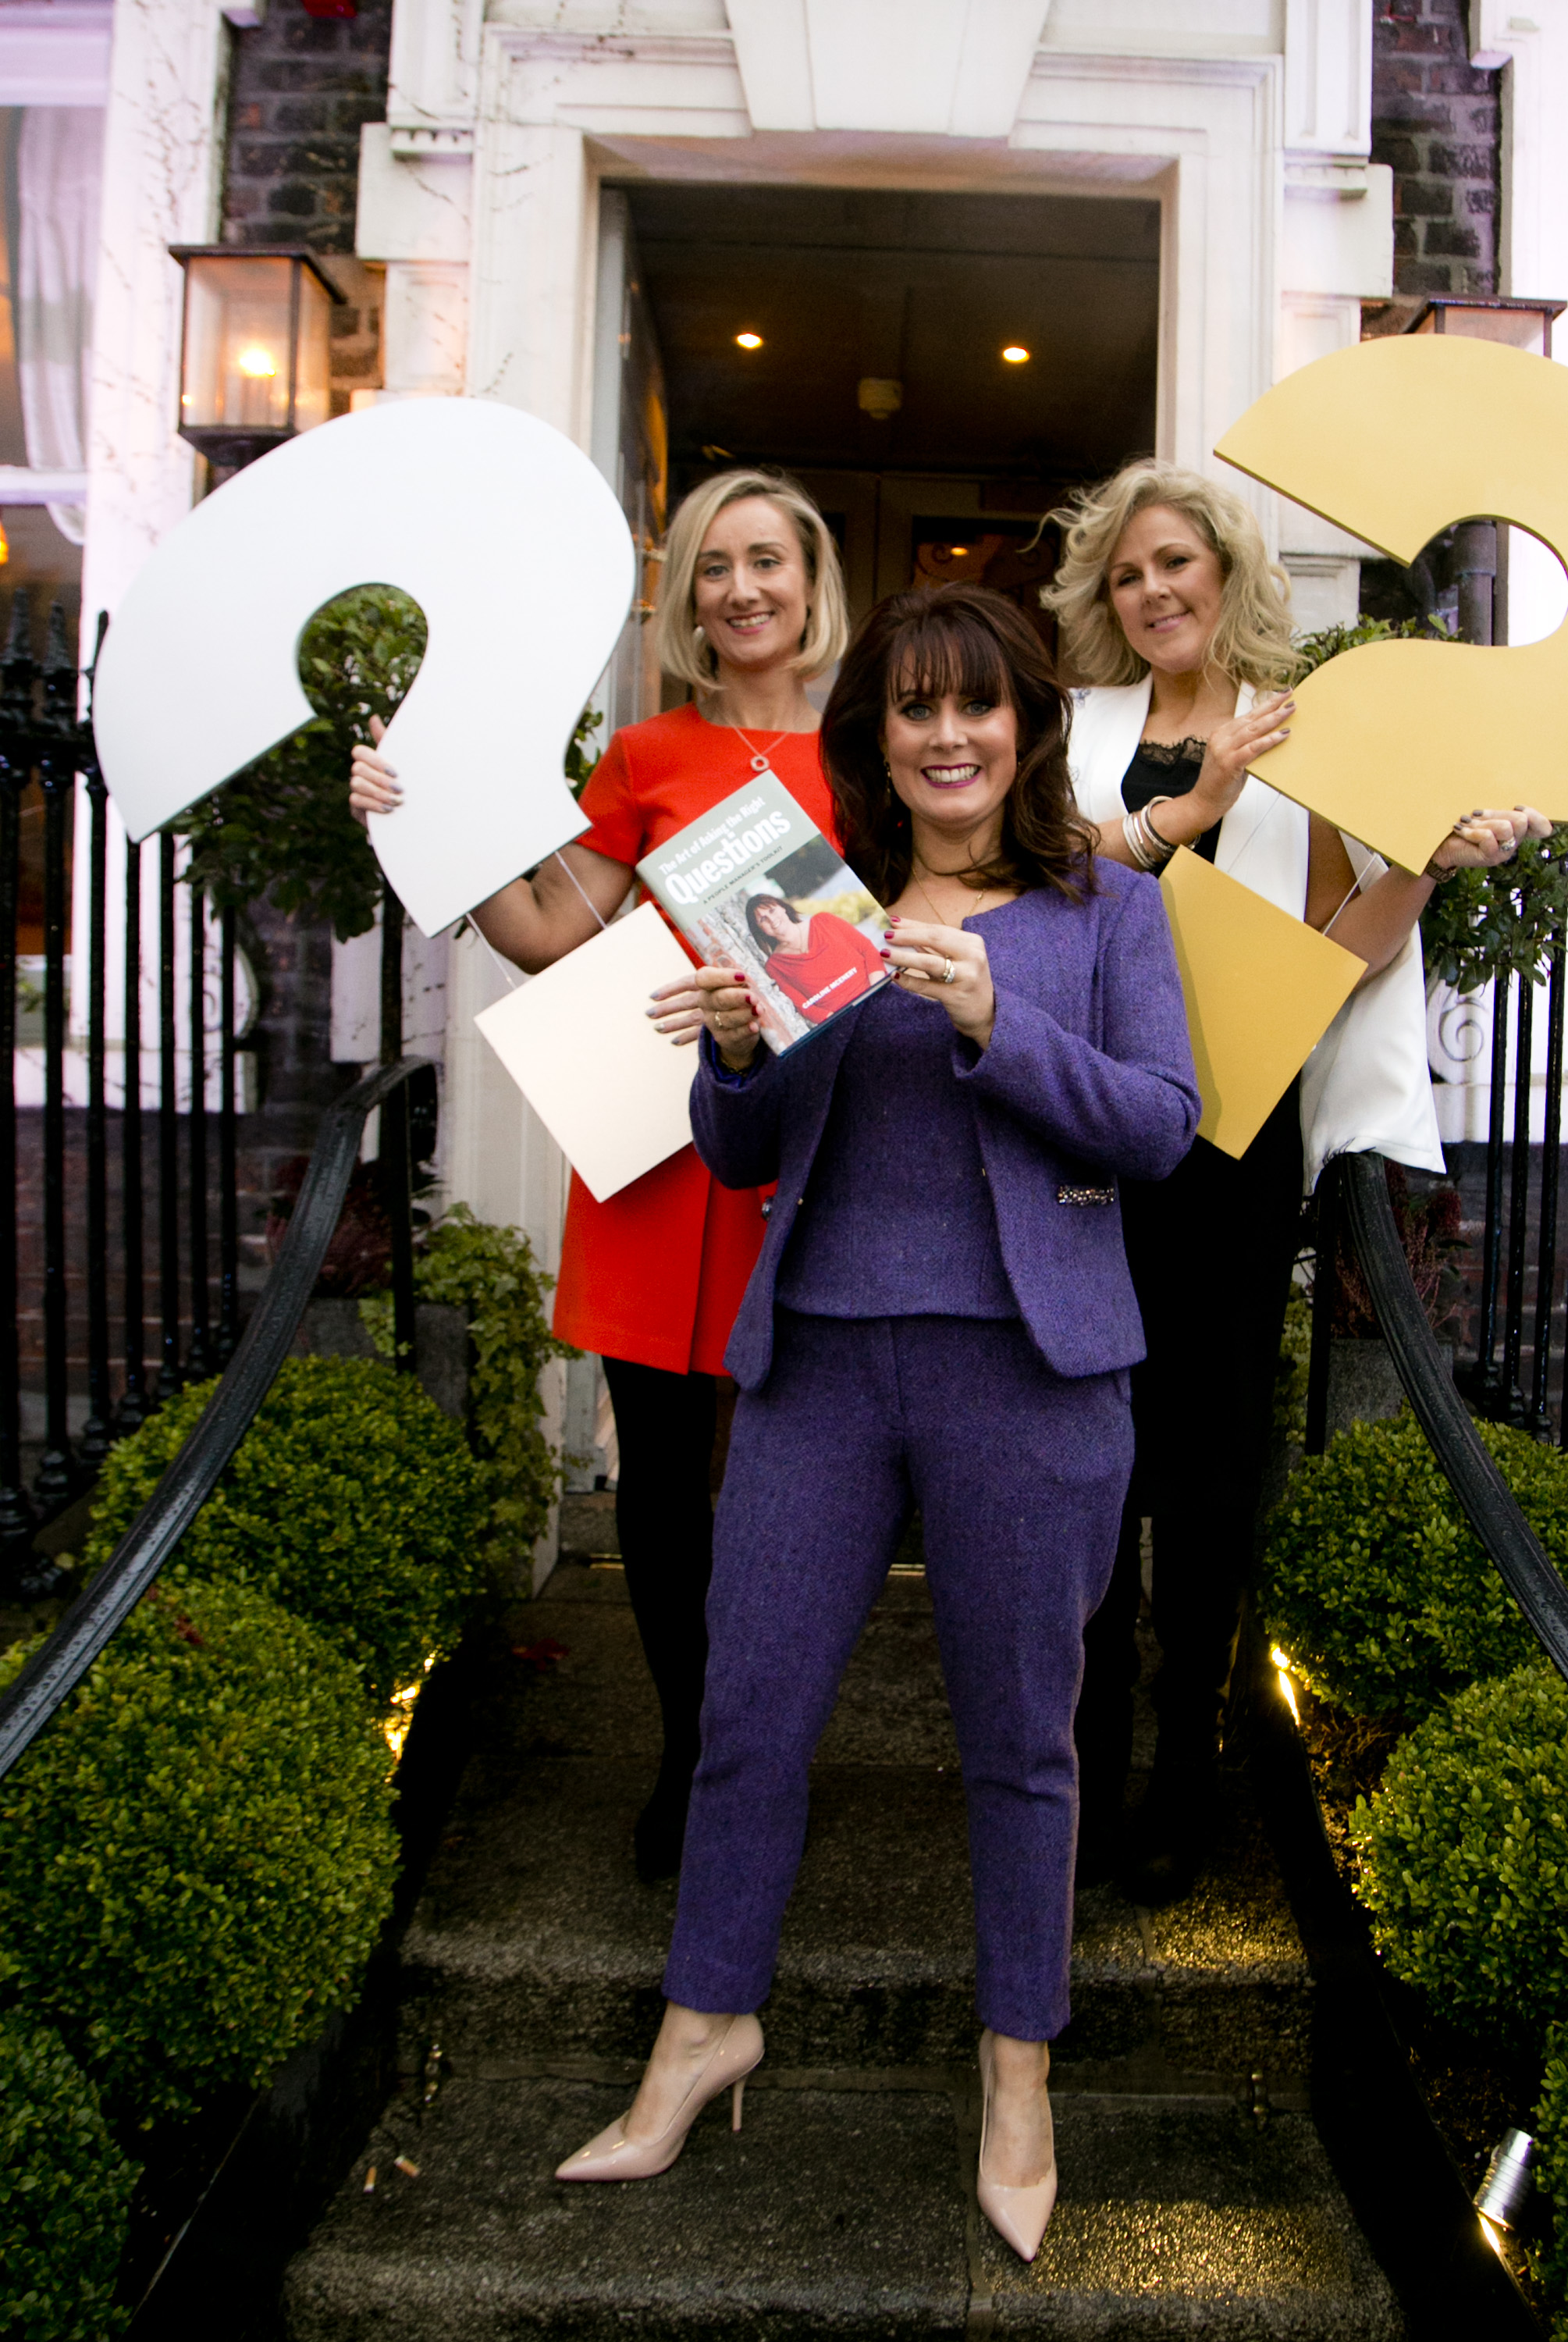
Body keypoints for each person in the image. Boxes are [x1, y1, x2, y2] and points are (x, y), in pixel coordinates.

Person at [553, 585, 1201, 2264]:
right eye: (916, 708)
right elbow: (748, 1150)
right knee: (750, 1712)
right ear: (879, 736)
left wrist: (998, 1021)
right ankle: (705, 2029)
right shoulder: (801, 895)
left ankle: (1016, 2073)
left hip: (1032, 1373)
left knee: (1023, 1738)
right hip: (823, 1363)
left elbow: (1160, 1129)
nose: (948, 736)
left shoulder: (1100, 908)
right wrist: (742, 1049)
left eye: (978, 706)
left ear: (1028, 725)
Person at [1040, 460, 1550, 1902]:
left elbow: (1346, 940)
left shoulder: (1301, 730)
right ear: (1105, 593)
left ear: (1228, 576)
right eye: (1129, 573)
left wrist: (1428, 865)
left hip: (1227, 1137)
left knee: (1205, 1476)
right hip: (1078, 1131)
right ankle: (1070, 1777)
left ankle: (1186, 1784)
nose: (1154, 592)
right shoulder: (1070, 733)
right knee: (1082, 1462)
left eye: (1176, 567)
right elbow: (1033, 885)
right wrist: (1183, 811)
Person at [349, 467, 849, 1882]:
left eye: (766, 560)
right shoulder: (648, 753)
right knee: (657, 1481)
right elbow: (546, 931)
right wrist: (409, 821)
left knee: (789, 1487)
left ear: (811, 581)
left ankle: (765, 1756)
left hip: (806, 1154)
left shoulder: (873, 751)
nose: (741, 589)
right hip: (657, 1146)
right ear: (685, 596)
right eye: (711, 567)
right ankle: (693, 1753)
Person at [742, 890, 889, 1025]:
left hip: (880, 994)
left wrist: (876, 993)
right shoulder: (774, 966)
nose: (771, 919)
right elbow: (805, 1007)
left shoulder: (825, 920)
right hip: (847, 1022)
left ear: (783, 907)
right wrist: (844, 1022)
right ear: (760, 930)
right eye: (762, 919)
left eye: (772, 910)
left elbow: (868, 950)